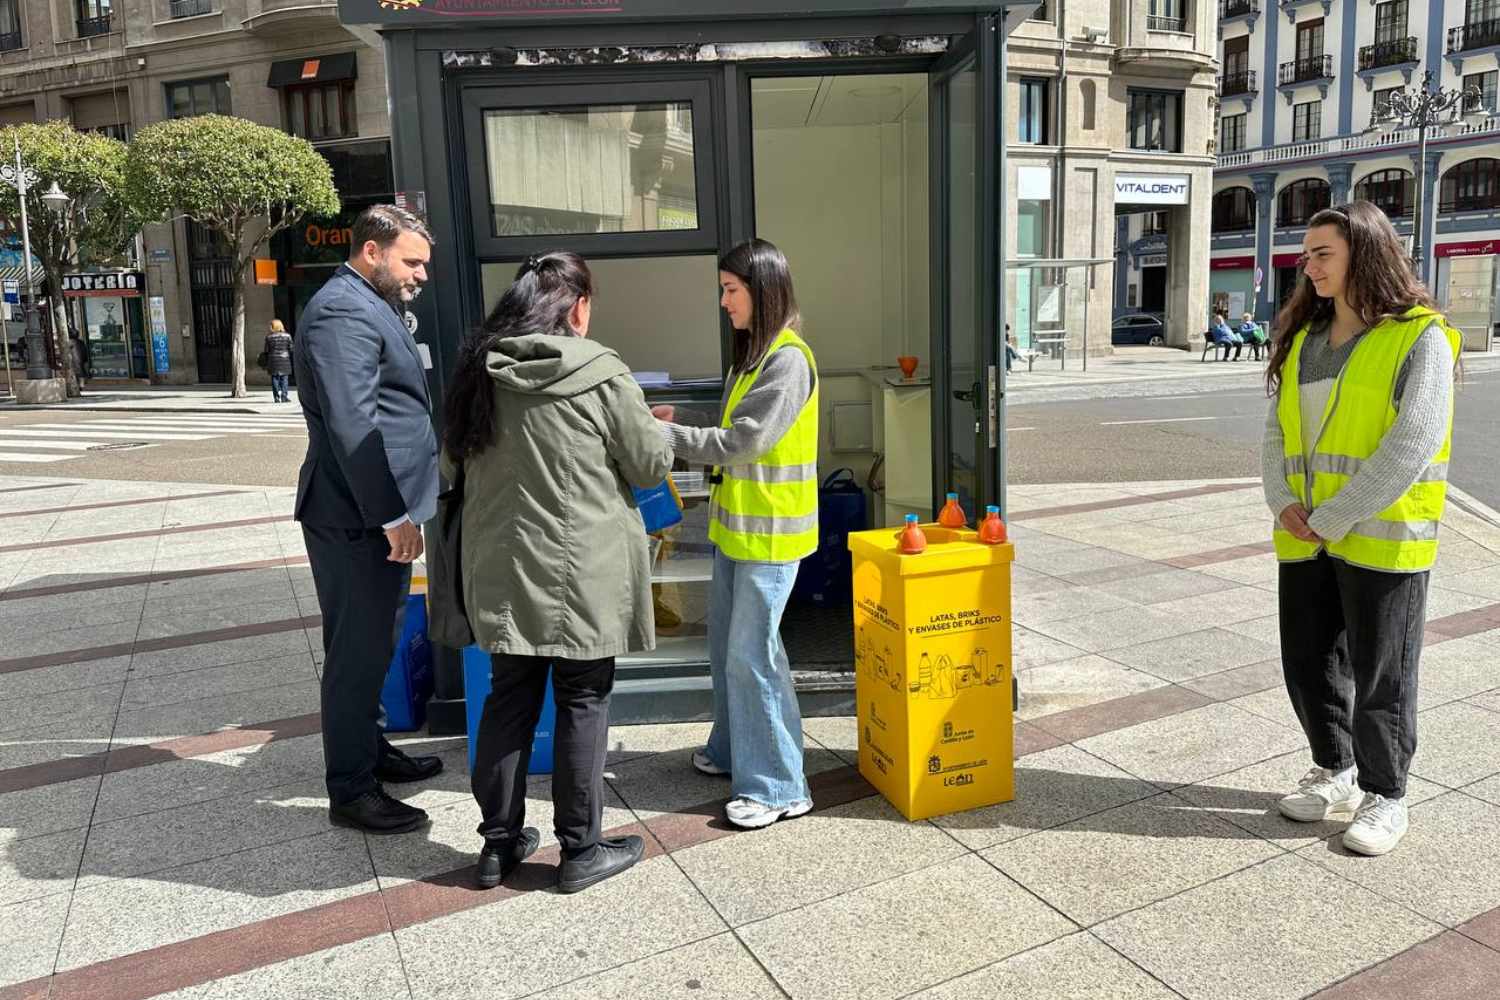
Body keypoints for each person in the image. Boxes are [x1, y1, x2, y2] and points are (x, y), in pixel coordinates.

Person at [441, 251, 672, 893]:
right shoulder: (601, 371)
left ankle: (497, 846)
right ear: (576, 308)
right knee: (582, 699)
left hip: (501, 569)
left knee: (507, 699)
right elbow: (650, 464)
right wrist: (655, 428)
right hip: (584, 571)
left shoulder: (477, 373)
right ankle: (580, 852)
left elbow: (449, 470)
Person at [1263, 200, 1460, 857]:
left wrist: (1332, 516)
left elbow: (1411, 444)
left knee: (1384, 675)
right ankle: (1335, 770)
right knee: (1309, 663)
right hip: (1305, 533)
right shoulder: (1304, 335)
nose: (1309, 264)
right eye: (1307, 254)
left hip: (1380, 536)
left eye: (1323, 253)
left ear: (1364, 253)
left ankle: (1386, 795)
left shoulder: (1418, 335)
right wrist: (1281, 499)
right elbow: (1277, 426)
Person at [654, 238, 818, 830]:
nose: (723, 302)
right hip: (738, 533)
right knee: (731, 649)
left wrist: (669, 440)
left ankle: (778, 786)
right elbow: (731, 428)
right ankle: (732, 752)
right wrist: (685, 421)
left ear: (763, 291)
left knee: (753, 659)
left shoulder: (787, 360)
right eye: (723, 289)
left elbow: (746, 443)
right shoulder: (752, 357)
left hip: (770, 539)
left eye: (731, 289)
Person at [293, 205, 444, 835]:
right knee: (356, 654)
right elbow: (355, 426)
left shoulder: (367, 300)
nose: (421, 276)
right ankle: (351, 789)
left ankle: (371, 750)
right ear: (372, 250)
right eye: (412, 262)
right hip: (358, 518)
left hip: (368, 514)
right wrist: (392, 517)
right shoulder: (341, 311)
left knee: (375, 644)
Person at [264, 319, 295, 402]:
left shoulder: (269, 337)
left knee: (274, 379)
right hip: (285, 360)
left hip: (273, 360)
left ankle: (276, 397)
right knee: (284, 379)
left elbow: (266, 350)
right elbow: (291, 349)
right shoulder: (287, 336)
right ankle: (284, 396)